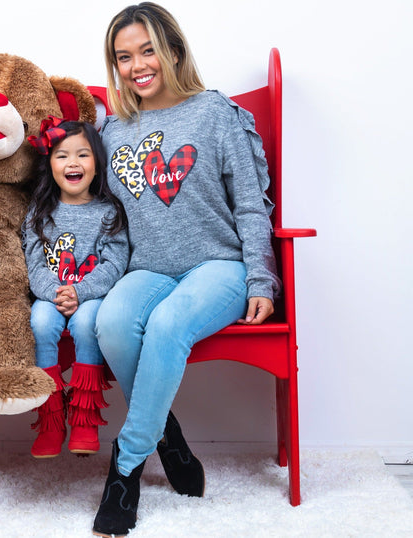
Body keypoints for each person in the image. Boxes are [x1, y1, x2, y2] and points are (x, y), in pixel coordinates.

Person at [91, 3, 281, 536]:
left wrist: (260, 278)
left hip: (219, 267)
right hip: (147, 269)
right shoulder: (113, 130)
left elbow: (251, 204)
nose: (137, 65)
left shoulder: (214, 112)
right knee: (112, 323)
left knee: (168, 324)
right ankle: (166, 437)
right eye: (123, 57)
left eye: (147, 50)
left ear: (173, 51)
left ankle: (125, 469)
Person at [22, 118, 129, 458]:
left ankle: (85, 419)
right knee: (40, 323)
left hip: (91, 295)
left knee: (86, 324)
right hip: (50, 294)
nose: (73, 163)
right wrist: (56, 292)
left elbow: (114, 263)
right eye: (62, 155)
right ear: (50, 165)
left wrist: (80, 292)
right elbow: (34, 263)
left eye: (83, 154)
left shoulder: (108, 212)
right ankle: (51, 420)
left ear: (97, 163)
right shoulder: (40, 211)